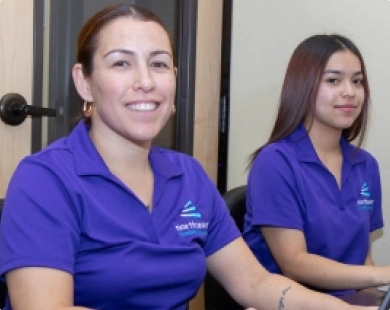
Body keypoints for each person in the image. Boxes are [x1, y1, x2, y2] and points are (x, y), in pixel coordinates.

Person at [0, 5, 377, 309]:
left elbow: (255, 282)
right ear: (84, 82)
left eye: (159, 63)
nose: (145, 80)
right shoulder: (44, 179)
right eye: (121, 63)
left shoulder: (188, 175)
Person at [243, 34, 390, 298]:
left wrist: (379, 298)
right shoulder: (275, 162)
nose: (350, 92)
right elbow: (295, 264)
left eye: (357, 81)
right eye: (333, 80)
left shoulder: (366, 165)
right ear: (303, 86)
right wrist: (383, 274)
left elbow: (362, 260)